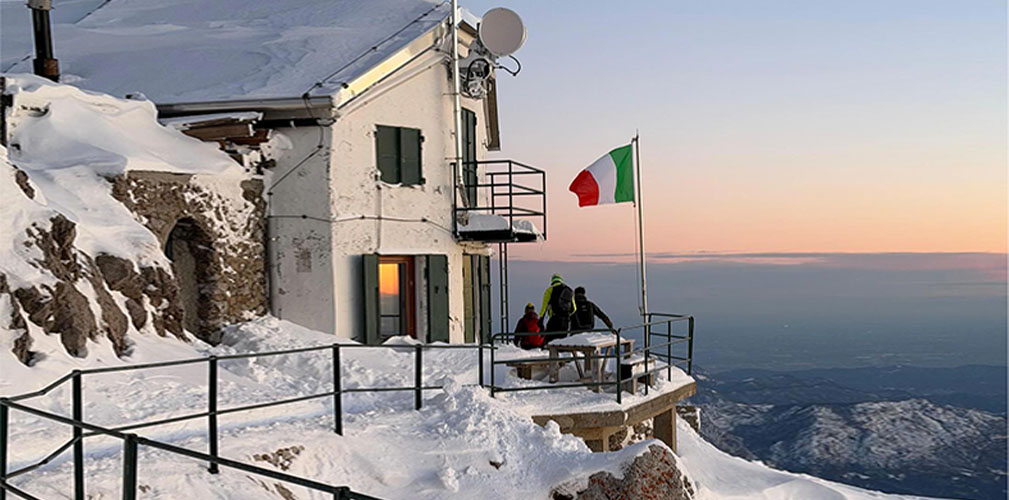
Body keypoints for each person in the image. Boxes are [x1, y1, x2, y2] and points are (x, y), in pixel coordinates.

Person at [539, 273, 576, 343]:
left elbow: (544, 308)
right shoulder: (569, 290)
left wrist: (540, 320)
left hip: (554, 320)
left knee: (549, 342)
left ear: (552, 281)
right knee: (561, 343)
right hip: (566, 321)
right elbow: (574, 309)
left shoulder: (550, 290)